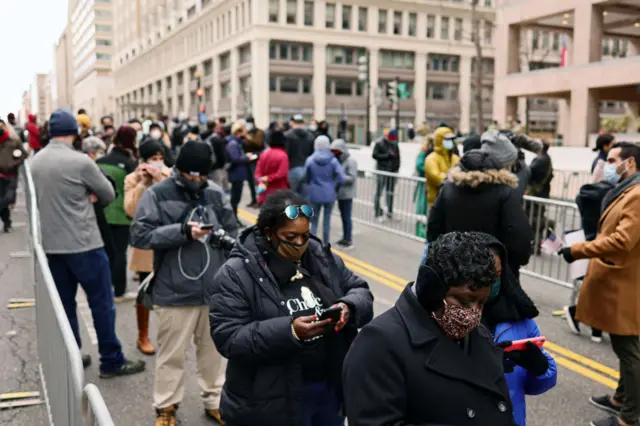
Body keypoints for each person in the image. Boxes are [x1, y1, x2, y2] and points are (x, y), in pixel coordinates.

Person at [210, 189, 373, 426]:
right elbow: (229, 337)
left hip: (328, 391)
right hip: (270, 400)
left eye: (305, 235)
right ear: (269, 233)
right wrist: (290, 332)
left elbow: (360, 290)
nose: (299, 243)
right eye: (290, 237)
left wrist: (348, 306)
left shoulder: (321, 257)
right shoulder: (236, 273)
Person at [343, 231, 515, 426]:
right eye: (464, 301)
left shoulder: (480, 337)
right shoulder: (379, 344)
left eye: (481, 303)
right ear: (431, 291)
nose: (473, 314)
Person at [31, 108, 145, 377]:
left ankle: (73, 356)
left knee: (65, 305)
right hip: (85, 243)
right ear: (74, 132)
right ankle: (111, 359)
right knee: (101, 302)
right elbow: (106, 194)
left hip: (52, 246)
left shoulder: (35, 162)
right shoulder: (81, 161)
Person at [130, 141, 237, 426]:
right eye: (190, 176)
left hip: (214, 290)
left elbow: (234, 230)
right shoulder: (157, 194)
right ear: (177, 170)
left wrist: (223, 237)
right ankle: (166, 407)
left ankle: (215, 401)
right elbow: (139, 235)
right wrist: (181, 232)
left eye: (200, 176)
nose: (195, 181)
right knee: (171, 355)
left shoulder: (215, 193)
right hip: (173, 289)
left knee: (214, 354)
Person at [559, 142, 640, 426]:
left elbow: (622, 240)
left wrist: (579, 249)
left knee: (629, 350)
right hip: (621, 280)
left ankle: (630, 417)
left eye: (614, 159)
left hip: (626, 283)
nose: (608, 164)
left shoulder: (637, 195)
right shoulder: (628, 191)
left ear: (630, 163)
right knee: (625, 346)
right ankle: (622, 399)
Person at [480, 235, 557, 426]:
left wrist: (540, 368)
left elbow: (533, 386)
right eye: (483, 275)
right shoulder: (451, 317)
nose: (490, 282)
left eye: (496, 274)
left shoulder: (520, 320)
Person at [427, 150, 533, 277]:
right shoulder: (505, 192)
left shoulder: (448, 189)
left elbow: (434, 226)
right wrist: (515, 261)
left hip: (454, 268)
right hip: (493, 270)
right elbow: (518, 233)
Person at [124, 140, 172, 356]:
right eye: (154, 158)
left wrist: (161, 177)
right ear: (143, 160)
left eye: (161, 158)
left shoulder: (170, 175)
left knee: (172, 290)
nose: (158, 162)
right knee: (145, 290)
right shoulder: (132, 179)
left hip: (170, 238)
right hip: (146, 242)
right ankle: (142, 334)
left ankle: (169, 334)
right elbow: (132, 210)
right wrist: (143, 184)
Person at [97, 126, 139, 301]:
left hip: (102, 213)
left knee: (105, 253)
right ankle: (119, 290)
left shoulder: (100, 161)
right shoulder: (130, 164)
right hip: (123, 214)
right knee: (119, 253)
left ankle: (104, 288)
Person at [304, 136, 345, 244]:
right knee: (326, 221)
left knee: (314, 220)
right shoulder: (333, 161)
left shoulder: (310, 160)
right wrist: (334, 187)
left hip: (314, 194)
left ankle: (312, 244)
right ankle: (325, 244)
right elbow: (342, 179)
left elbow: (306, 177)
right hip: (329, 193)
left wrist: (311, 184)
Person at [0, 120, 27, 232]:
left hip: (11, 175)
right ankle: (7, 223)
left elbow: (23, 154)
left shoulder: (14, 141)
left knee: (8, 199)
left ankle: (7, 223)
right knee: (2, 201)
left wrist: (14, 163)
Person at [330, 139, 357, 249]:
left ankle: (348, 239)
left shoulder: (351, 161)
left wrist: (340, 177)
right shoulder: (338, 160)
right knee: (343, 216)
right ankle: (345, 237)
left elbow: (352, 177)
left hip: (347, 194)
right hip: (340, 193)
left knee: (346, 217)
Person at [425, 127, 460, 208]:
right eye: (447, 139)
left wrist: (447, 175)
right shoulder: (431, 159)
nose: (450, 142)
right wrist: (456, 177)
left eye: (451, 139)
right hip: (436, 203)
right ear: (439, 140)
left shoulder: (455, 158)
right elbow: (437, 178)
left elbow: (463, 174)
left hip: (454, 202)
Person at [226, 120, 252, 225]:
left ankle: (234, 218)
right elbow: (235, 158)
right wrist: (247, 157)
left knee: (236, 198)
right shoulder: (233, 143)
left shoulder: (236, 142)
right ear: (238, 132)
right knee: (235, 198)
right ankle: (233, 219)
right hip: (236, 174)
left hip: (238, 174)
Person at [372, 129, 401, 221]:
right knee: (379, 193)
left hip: (391, 172)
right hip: (382, 170)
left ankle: (390, 212)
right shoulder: (379, 143)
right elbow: (374, 155)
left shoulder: (395, 144)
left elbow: (398, 157)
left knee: (390, 193)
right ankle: (377, 212)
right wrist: (387, 155)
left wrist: (396, 169)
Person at [254, 130, 289, 205]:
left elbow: (257, 172)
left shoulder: (264, 154)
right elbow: (281, 174)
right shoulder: (283, 155)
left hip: (265, 191)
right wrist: (269, 178)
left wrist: (261, 181)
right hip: (279, 191)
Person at [285, 114, 315, 198]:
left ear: (292, 123)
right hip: (306, 169)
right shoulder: (310, 136)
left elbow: (286, 154)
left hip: (292, 168)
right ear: (303, 123)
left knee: (291, 197)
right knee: (305, 199)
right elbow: (312, 154)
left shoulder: (287, 135)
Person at [244, 115, 265, 208]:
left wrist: (255, 155)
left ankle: (259, 200)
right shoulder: (246, 132)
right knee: (250, 182)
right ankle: (253, 199)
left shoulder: (259, 132)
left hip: (256, 159)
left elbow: (262, 146)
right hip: (248, 159)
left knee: (256, 181)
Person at [204, 121, 228, 189]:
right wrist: (222, 166)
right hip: (216, 168)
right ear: (215, 127)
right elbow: (222, 156)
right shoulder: (217, 138)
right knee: (217, 188)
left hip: (207, 167)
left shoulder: (203, 136)